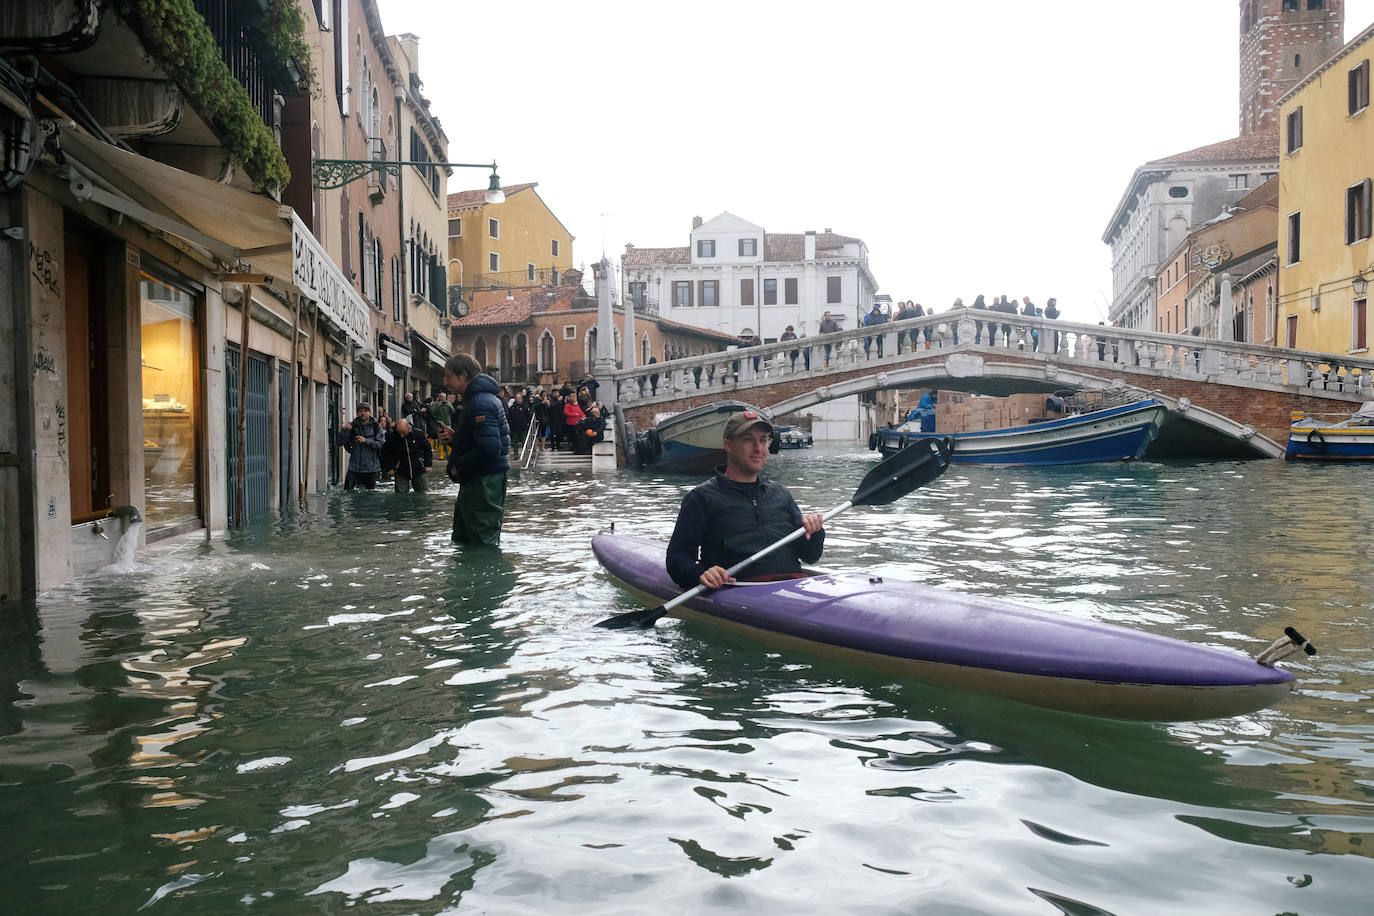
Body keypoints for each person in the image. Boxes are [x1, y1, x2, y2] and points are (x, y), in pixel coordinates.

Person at [666, 411, 825, 590]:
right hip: (742, 591)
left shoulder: (780, 494)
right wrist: (700, 573)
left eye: (763, 440)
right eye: (748, 440)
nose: (758, 448)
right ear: (728, 445)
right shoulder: (701, 499)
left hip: (792, 588)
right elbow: (677, 557)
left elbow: (810, 556)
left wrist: (815, 531)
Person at [439, 355, 511, 547]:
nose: (445, 382)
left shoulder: (480, 403)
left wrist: (458, 467)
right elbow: (484, 442)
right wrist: (456, 438)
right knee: (466, 538)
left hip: (484, 481)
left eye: (448, 376)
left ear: (463, 375)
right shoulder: (479, 401)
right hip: (479, 479)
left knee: (481, 541)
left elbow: (489, 449)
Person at [339, 403, 385, 490]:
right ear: (357, 413)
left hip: (371, 468)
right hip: (354, 467)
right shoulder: (352, 426)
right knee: (348, 491)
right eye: (360, 411)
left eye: (365, 411)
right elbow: (340, 442)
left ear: (370, 412)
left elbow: (380, 444)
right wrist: (344, 431)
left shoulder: (376, 426)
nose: (363, 413)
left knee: (370, 495)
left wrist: (366, 441)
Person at [381, 417, 433, 492]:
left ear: (409, 428)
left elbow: (427, 449)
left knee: (423, 492)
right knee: (400, 495)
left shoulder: (418, 434)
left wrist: (428, 464)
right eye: (399, 433)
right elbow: (384, 453)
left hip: (418, 468)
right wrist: (389, 468)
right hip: (400, 470)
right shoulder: (392, 437)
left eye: (404, 433)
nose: (401, 435)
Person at [430, 392, 454, 459]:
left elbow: (453, 412)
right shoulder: (436, 404)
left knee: (449, 439)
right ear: (439, 397)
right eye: (441, 397)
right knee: (441, 440)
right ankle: (441, 455)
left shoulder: (448, 404)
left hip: (448, 424)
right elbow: (432, 412)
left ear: (446, 397)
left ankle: (449, 455)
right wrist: (438, 406)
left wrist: (450, 406)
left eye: (444, 397)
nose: (442, 398)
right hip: (440, 425)